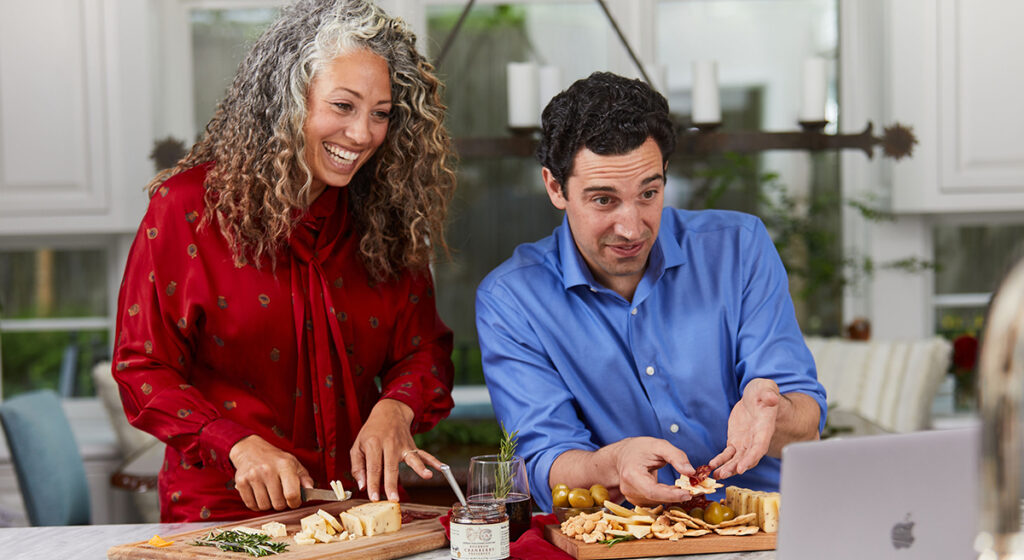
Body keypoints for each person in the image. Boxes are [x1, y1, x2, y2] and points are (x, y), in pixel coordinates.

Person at [112, 0, 456, 522]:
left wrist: (396, 408)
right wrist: (232, 442)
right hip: (224, 516)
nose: (363, 134)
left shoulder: (384, 216)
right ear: (288, 100)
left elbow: (423, 350)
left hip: (359, 515)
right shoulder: (187, 210)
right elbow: (142, 366)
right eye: (343, 106)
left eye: (380, 113)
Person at [475, 72, 827, 511]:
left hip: (768, 529)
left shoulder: (739, 247)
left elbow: (806, 422)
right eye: (603, 199)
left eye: (648, 193)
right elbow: (544, 461)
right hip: (629, 539)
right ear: (554, 187)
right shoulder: (512, 300)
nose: (631, 227)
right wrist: (613, 462)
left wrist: (774, 410)